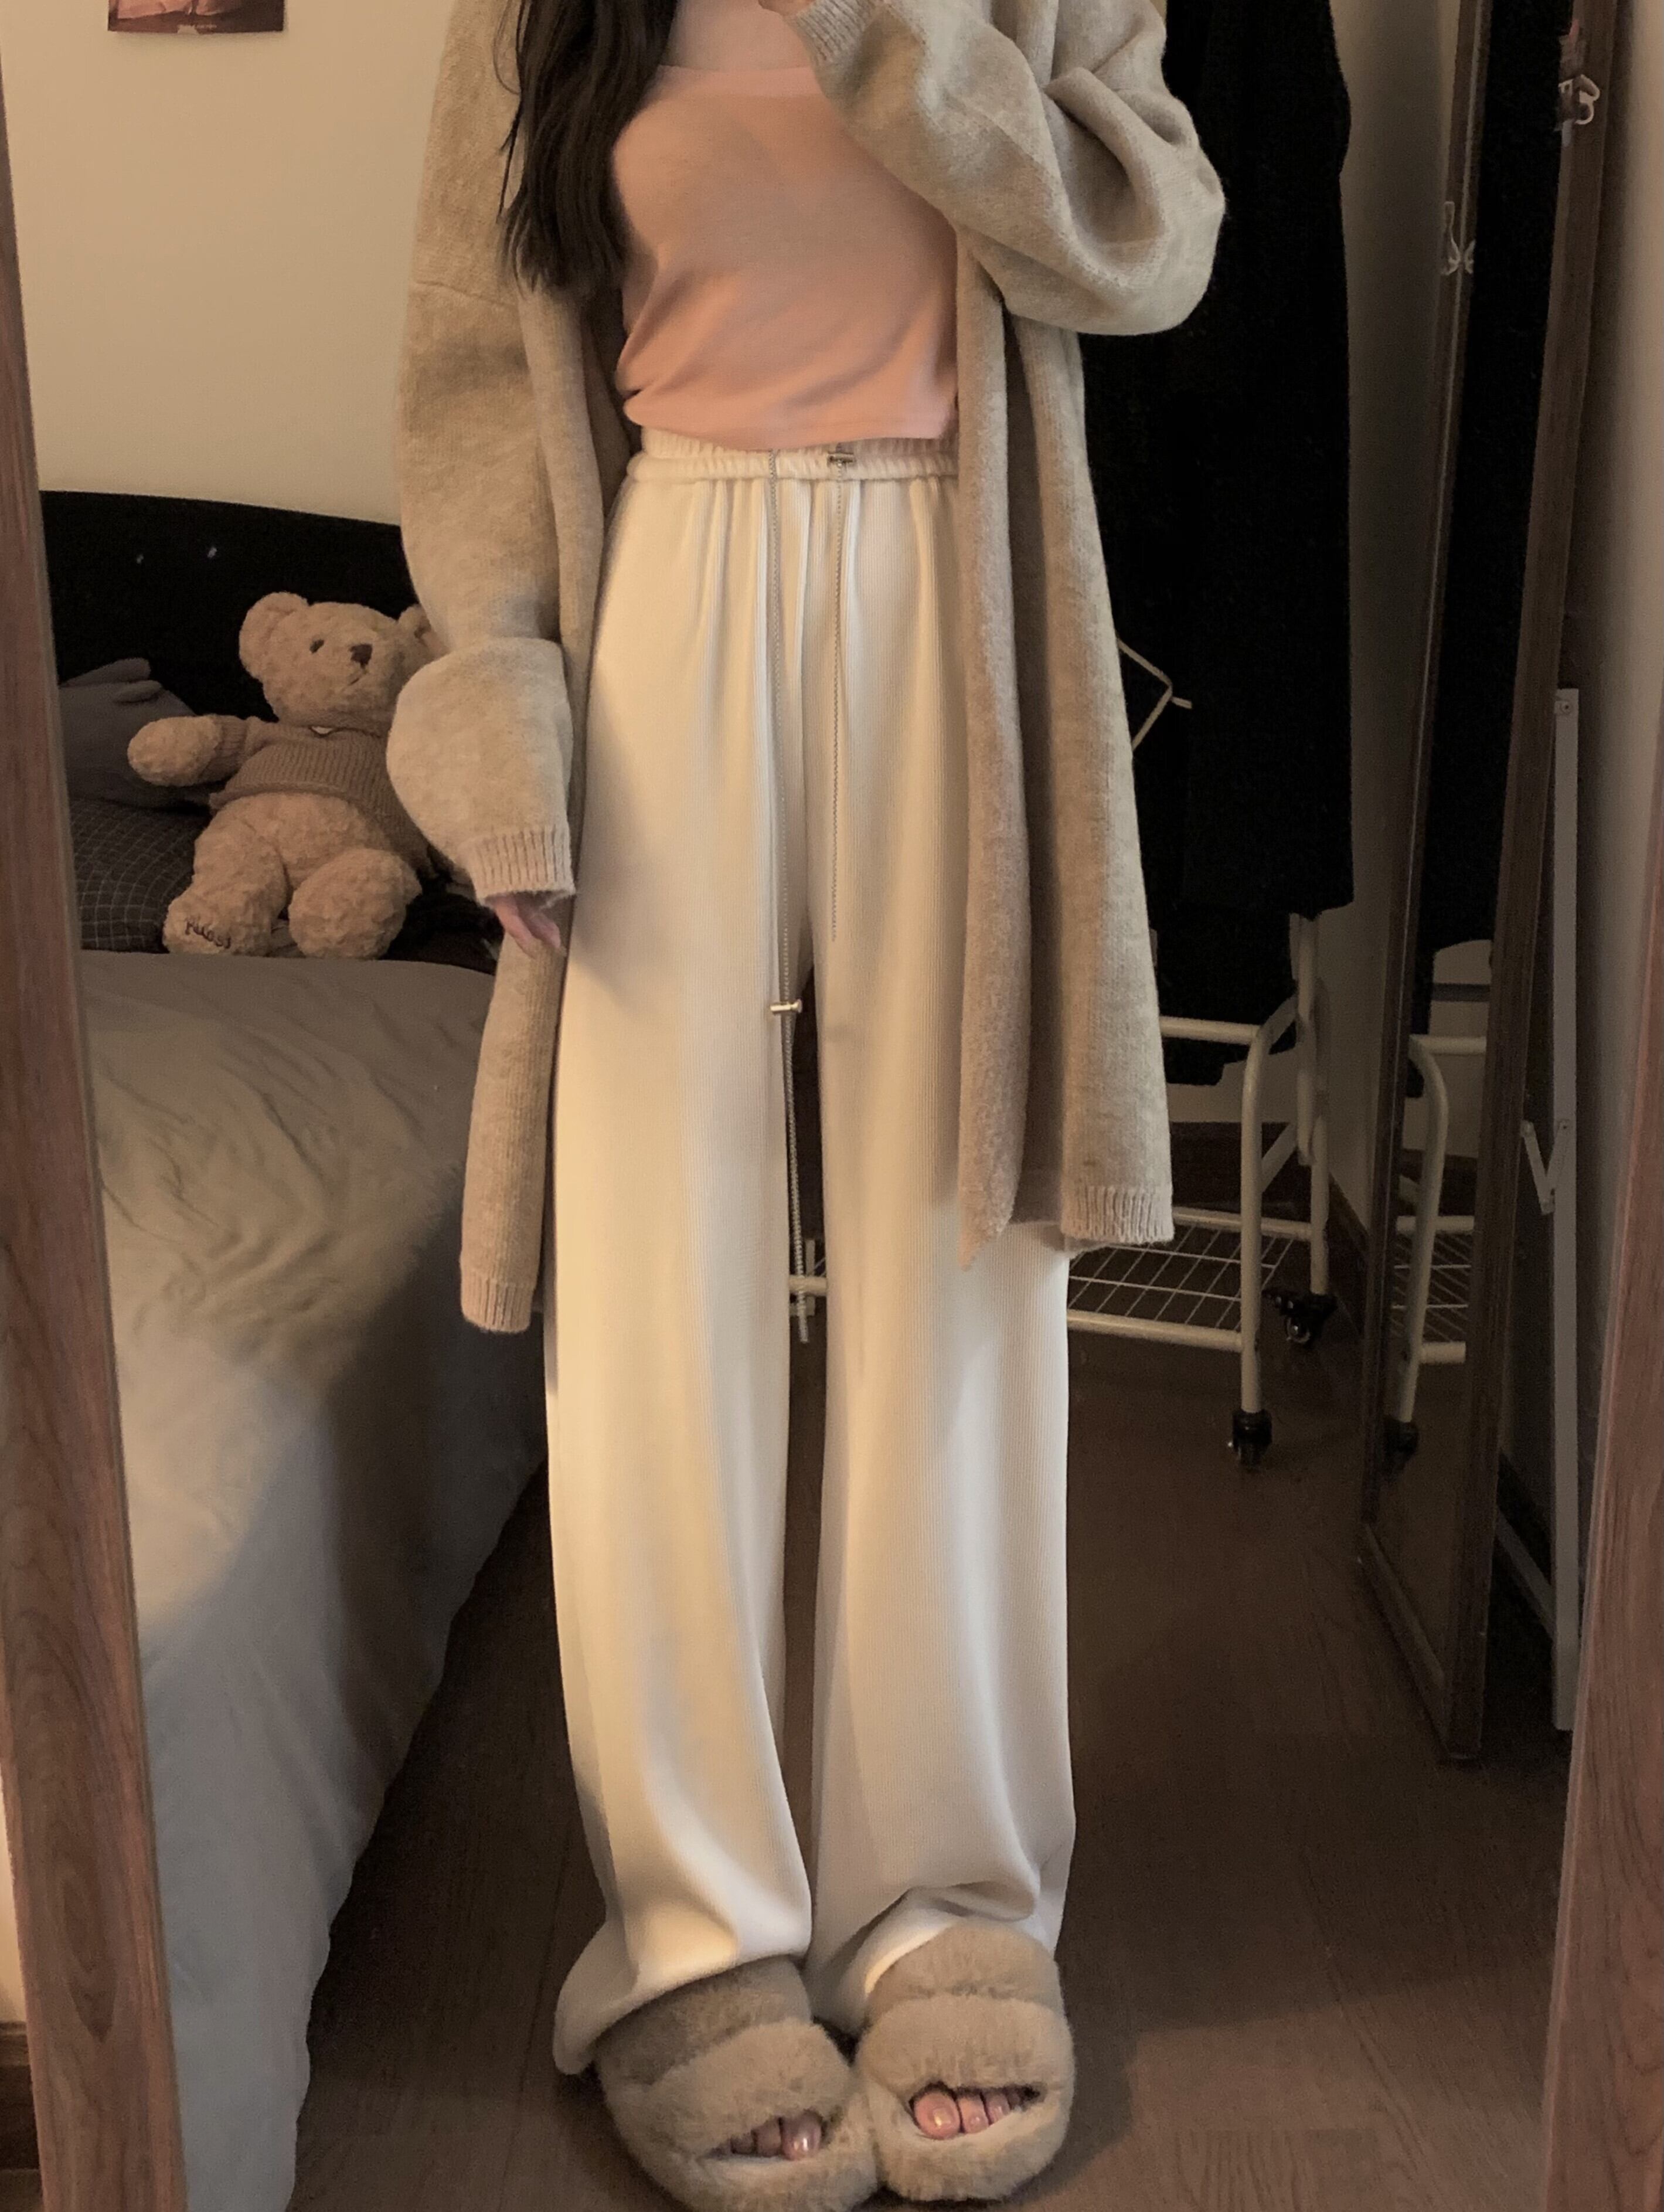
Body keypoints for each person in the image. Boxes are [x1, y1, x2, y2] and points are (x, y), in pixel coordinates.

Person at [388, 0, 1222, 2201]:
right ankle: (696, 1939)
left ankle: (950, 1912)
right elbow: (473, 377)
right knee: (651, 1292)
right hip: (665, 587)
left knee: (967, 1256)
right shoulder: (539, 12)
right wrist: (499, 709)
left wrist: (898, 36)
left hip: (961, 597)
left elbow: (1147, 244)